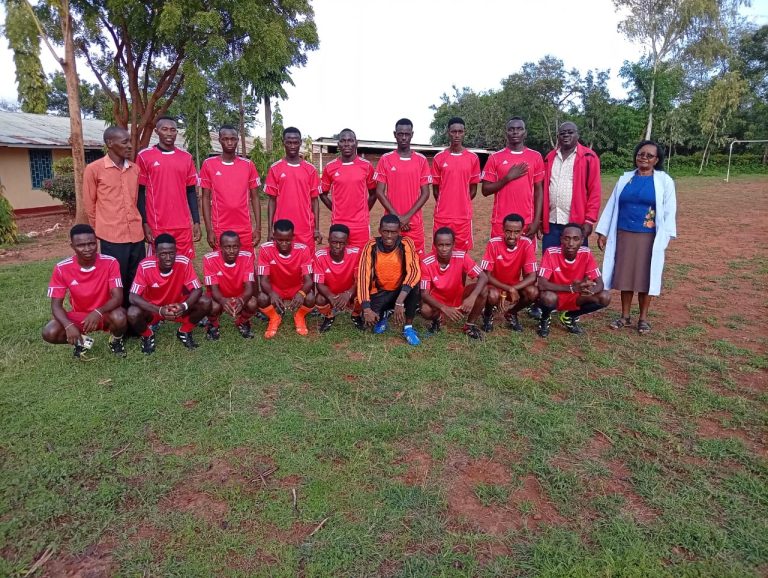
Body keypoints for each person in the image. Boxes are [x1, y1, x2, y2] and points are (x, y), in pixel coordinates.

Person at [596, 140, 677, 335]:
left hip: (648, 237)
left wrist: (665, 236)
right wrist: (603, 231)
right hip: (623, 234)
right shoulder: (626, 179)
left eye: (649, 155)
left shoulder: (664, 181)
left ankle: (643, 319)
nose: (644, 158)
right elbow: (612, 205)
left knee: (645, 277)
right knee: (626, 276)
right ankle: (624, 316)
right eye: (641, 154)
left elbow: (669, 210)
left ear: (656, 160)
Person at [43, 224, 128, 358]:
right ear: (72, 246)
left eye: (91, 244)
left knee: (120, 317)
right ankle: (84, 342)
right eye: (81, 245)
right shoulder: (61, 268)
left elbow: (117, 297)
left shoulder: (110, 262)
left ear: (96, 242)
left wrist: (98, 312)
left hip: (105, 312)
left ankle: (116, 341)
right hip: (80, 316)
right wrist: (68, 325)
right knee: (50, 332)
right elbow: (56, 306)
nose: (88, 249)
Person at [83, 126, 145, 307]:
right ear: (110, 143)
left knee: (137, 278)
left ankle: (136, 316)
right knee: (117, 280)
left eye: (130, 141)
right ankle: (119, 316)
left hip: (136, 234)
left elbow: (137, 201)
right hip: (112, 236)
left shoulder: (135, 169)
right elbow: (89, 204)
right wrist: (99, 230)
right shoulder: (94, 169)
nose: (130, 146)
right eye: (125, 142)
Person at [128, 233, 210, 353]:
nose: (168, 258)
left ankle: (185, 331)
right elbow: (132, 296)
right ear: (156, 253)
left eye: (171, 253)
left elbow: (197, 289)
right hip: (154, 309)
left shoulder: (184, 262)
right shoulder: (145, 266)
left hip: (177, 307)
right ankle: (147, 335)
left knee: (205, 301)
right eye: (163, 254)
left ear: (176, 251)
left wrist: (184, 306)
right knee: (132, 312)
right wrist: (159, 310)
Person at [136, 116, 201, 258]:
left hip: (182, 225)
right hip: (157, 224)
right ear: (156, 131)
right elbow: (139, 193)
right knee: (159, 264)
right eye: (164, 129)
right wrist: (145, 222)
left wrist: (196, 221)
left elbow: (191, 191)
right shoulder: (144, 156)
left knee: (184, 264)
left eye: (173, 130)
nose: (169, 133)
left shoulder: (186, 157)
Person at [535, 223, 611, 338]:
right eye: (567, 238)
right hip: (555, 296)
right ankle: (545, 318)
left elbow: (600, 283)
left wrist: (590, 291)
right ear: (561, 239)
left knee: (605, 297)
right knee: (548, 297)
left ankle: (569, 316)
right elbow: (542, 284)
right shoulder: (551, 253)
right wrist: (571, 288)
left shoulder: (586, 253)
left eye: (576, 239)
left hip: (576, 296)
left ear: (582, 240)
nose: (571, 243)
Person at [357, 215, 422, 346]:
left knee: (414, 285)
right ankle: (384, 315)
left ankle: (408, 327)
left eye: (393, 232)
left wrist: (400, 301)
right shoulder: (371, 246)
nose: (389, 236)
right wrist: (366, 309)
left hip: (401, 292)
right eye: (386, 231)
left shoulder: (406, 243)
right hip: (380, 291)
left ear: (399, 232)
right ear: (379, 231)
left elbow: (414, 271)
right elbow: (363, 276)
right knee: (368, 321)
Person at [374, 118, 433, 254]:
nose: (404, 137)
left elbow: (425, 193)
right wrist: (397, 218)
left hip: (414, 223)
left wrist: (407, 217)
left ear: (412, 134)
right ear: (395, 134)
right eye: (400, 134)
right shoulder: (385, 159)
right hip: (391, 224)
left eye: (407, 134)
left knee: (416, 260)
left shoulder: (421, 160)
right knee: (392, 260)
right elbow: (379, 192)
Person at [200, 125, 261, 253]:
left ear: (237, 140)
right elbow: (205, 197)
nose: (229, 142)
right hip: (220, 227)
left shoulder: (248, 165)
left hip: (244, 227)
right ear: (219, 140)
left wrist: (258, 228)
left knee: (246, 262)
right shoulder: (208, 164)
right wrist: (209, 230)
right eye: (225, 139)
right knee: (222, 263)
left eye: (233, 139)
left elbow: (255, 197)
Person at [541, 122, 602, 251]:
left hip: (576, 224)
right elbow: (544, 189)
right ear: (558, 137)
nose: (566, 135)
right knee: (550, 258)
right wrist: (541, 220)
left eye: (570, 132)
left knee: (575, 261)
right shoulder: (550, 157)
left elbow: (594, 191)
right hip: (552, 222)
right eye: (562, 133)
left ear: (577, 135)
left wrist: (589, 221)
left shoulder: (589, 157)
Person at [481, 117, 544, 240]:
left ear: (525, 133)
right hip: (500, 221)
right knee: (499, 252)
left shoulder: (536, 157)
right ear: (506, 133)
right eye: (511, 129)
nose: (515, 132)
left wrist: (537, 221)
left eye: (519, 129)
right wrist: (508, 178)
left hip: (526, 221)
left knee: (525, 253)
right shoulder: (495, 158)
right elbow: (485, 190)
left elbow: (539, 191)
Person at [419, 227, 488, 339]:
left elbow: (483, 277)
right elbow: (424, 294)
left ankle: (469, 326)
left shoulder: (462, 256)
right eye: (440, 245)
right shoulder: (426, 262)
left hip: (459, 299)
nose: (444, 249)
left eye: (448, 245)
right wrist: (444, 307)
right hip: (438, 302)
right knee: (425, 310)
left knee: (483, 290)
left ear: (453, 245)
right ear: (435, 245)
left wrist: (472, 297)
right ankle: (438, 320)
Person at [265, 127, 322, 253]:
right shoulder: (275, 168)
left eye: (295, 142)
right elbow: (272, 200)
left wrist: (317, 229)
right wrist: (270, 230)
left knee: (307, 262)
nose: (292, 146)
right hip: (282, 229)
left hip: (305, 228)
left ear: (300, 143)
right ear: (283, 142)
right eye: (289, 142)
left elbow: (315, 201)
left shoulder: (310, 169)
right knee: (283, 262)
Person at [480, 213, 539, 333]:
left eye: (516, 232)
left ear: (522, 231)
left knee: (533, 292)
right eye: (508, 231)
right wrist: (508, 289)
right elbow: (486, 275)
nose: (512, 236)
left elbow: (532, 276)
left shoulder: (527, 243)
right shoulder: (493, 243)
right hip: (494, 286)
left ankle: (512, 313)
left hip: (514, 286)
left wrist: (512, 288)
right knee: (492, 295)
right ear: (503, 230)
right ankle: (487, 314)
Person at [256, 219, 315, 338]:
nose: (284, 243)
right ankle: (274, 318)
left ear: (293, 237)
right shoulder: (265, 249)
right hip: (276, 288)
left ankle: (299, 316)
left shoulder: (303, 249)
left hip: (296, 287)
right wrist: (272, 293)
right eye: (280, 240)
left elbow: (309, 280)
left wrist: (301, 293)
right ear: (273, 236)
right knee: (262, 298)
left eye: (288, 240)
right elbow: (263, 280)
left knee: (310, 297)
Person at [320, 128, 377, 249]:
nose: (347, 144)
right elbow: (323, 193)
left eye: (350, 140)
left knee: (361, 257)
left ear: (356, 143)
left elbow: (374, 193)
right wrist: (335, 209)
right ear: (338, 144)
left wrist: (364, 211)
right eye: (343, 141)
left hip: (360, 225)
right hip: (338, 224)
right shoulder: (330, 167)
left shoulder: (366, 166)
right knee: (339, 256)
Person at [431, 117, 481, 251]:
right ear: (448, 132)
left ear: (464, 132)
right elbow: (436, 190)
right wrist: (446, 203)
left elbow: (473, 190)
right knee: (440, 252)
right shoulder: (438, 158)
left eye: (460, 131)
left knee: (461, 254)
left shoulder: (473, 158)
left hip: (463, 217)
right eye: (453, 132)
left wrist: (461, 202)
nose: (457, 135)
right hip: (442, 216)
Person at [202, 231, 258, 340]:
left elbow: (249, 288)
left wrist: (241, 300)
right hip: (219, 296)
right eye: (227, 247)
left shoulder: (247, 257)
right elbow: (213, 289)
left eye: (235, 247)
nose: (231, 251)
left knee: (253, 303)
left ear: (240, 246)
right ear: (220, 247)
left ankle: (242, 322)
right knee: (212, 306)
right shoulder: (209, 259)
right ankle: (213, 324)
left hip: (239, 295)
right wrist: (223, 301)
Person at [314, 224, 364, 333]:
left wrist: (348, 293)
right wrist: (331, 296)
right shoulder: (319, 255)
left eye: (341, 243)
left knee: (363, 293)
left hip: (350, 291)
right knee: (319, 299)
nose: (337, 246)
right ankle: (329, 316)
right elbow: (319, 284)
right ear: (328, 240)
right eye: (334, 242)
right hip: (331, 292)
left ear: (347, 243)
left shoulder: (356, 253)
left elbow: (359, 279)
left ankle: (356, 315)